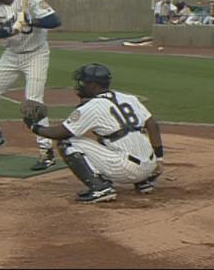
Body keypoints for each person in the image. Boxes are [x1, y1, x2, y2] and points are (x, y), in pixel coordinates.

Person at [22, 63, 164, 203]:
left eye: (83, 82)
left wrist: (34, 127)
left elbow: (61, 133)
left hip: (127, 170)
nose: (79, 86)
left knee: (67, 143)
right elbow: (152, 125)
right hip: (150, 166)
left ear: (94, 85)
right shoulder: (128, 98)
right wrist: (159, 159)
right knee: (109, 136)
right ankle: (143, 182)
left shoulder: (92, 106)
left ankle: (100, 188)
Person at [0, 0, 62, 170]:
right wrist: (10, 29)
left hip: (36, 54)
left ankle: (46, 152)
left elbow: (55, 20)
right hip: (11, 54)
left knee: (33, 102)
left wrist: (30, 20)